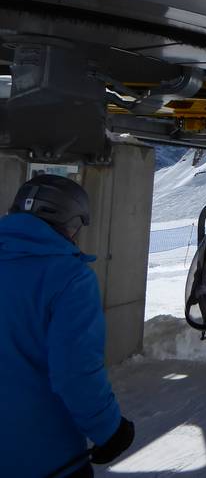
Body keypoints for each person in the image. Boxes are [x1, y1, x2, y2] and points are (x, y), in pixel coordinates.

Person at [0, 174, 134, 477]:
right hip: (43, 455)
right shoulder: (70, 278)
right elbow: (74, 371)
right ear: (68, 223)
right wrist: (109, 429)